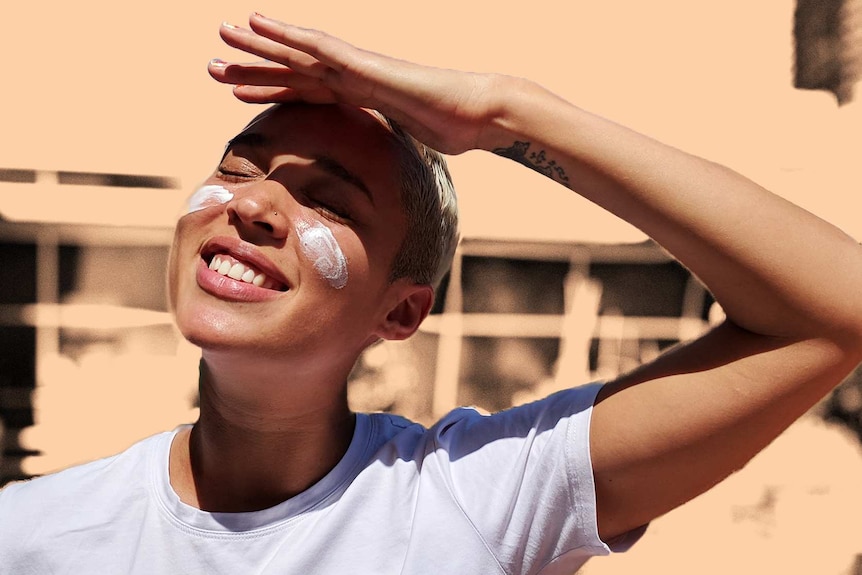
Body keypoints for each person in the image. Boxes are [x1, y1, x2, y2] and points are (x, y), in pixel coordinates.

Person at [2, 12, 861, 574]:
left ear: (402, 310)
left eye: (328, 201)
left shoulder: (475, 494)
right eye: (236, 168)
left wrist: (505, 113)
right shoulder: (33, 533)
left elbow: (836, 308)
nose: (254, 204)